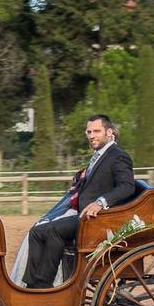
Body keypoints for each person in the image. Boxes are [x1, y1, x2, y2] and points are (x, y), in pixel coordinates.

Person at [21, 114, 135, 289]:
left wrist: (100, 202)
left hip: (101, 220)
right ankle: (31, 285)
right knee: (36, 231)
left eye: (97, 131)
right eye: (89, 131)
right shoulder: (100, 154)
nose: (91, 135)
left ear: (109, 132)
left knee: (54, 231)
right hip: (84, 216)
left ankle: (44, 285)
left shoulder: (118, 156)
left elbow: (127, 186)